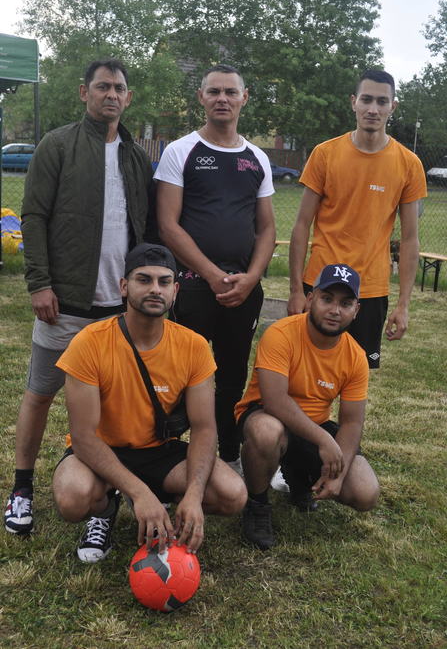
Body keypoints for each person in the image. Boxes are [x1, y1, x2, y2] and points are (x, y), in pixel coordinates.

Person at [4, 59, 154, 537]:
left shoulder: (136, 158)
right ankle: (22, 488)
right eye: (102, 86)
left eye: (119, 88)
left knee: (108, 408)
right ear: (84, 92)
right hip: (65, 303)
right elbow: (33, 215)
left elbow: (145, 228)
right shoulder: (58, 145)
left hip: (118, 308)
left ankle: (102, 503)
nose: (111, 94)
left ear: (128, 98)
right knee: (40, 394)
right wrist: (39, 283)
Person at [52, 243, 247, 561]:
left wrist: (194, 495)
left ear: (175, 291)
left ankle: (169, 502)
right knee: (73, 498)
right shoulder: (89, 343)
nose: (155, 289)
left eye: (164, 281)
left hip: (159, 452)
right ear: (124, 287)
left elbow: (204, 428)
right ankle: (106, 510)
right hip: (103, 450)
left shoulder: (194, 346)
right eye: (144, 279)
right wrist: (138, 492)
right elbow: (84, 437)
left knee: (232, 494)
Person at [155, 64, 276, 472]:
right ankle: (165, 455)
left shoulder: (257, 157)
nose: (222, 99)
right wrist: (210, 274)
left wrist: (252, 278)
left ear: (244, 98)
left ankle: (229, 455)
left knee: (232, 377)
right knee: (177, 374)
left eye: (230, 92)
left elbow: (266, 228)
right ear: (201, 98)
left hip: (243, 291)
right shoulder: (180, 151)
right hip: (192, 287)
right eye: (214, 92)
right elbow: (168, 225)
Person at [288, 69, 427, 370]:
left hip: (370, 289)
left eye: (382, 101)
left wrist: (403, 305)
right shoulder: (325, 154)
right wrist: (297, 290)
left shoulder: (409, 164)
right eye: (366, 100)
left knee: (355, 377)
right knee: (304, 373)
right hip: (320, 282)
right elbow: (301, 225)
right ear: (354, 102)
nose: (373, 109)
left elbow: (409, 239)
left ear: (393, 106)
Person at [235, 264, 380, 550]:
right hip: (265, 415)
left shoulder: (355, 356)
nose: (335, 310)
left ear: (356, 310)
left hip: (314, 425)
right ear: (311, 299)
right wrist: (324, 440)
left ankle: (298, 478)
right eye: (327, 299)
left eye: (345, 303)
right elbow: (275, 401)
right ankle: (257, 504)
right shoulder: (281, 333)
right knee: (267, 432)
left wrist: (339, 473)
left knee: (365, 492)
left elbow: (352, 422)